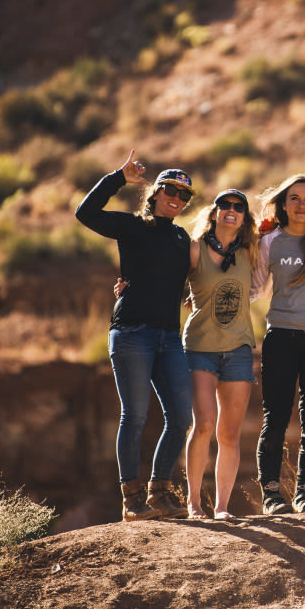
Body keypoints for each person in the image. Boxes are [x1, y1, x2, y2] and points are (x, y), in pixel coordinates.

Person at [76, 151, 195, 522]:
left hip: (169, 338)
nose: (176, 197)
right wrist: (117, 177)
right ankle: (131, 501)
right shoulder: (132, 227)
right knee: (135, 415)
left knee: (180, 417)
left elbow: (191, 278)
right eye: (170, 190)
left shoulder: (181, 237)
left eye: (184, 195)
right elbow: (85, 214)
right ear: (156, 193)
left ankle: (159, 494)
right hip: (132, 333)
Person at [251, 174, 305, 515]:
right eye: (295, 198)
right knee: (275, 418)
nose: (302, 205)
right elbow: (255, 290)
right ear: (283, 204)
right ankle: (272, 494)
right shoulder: (270, 241)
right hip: (281, 338)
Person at [182, 189, 259, 520]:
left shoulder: (250, 251)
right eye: (224, 205)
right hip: (200, 347)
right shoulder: (194, 251)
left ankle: (223, 507)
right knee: (203, 425)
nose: (231, 211)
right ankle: (194, 504)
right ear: (213, 213)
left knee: (229, 432)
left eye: (238, 207)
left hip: (239, 350)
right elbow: (162, 276)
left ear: (244, 216)